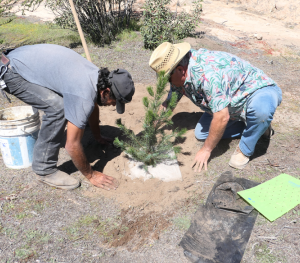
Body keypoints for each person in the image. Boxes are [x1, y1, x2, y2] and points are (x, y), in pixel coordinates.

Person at [0, 44, 135, 190]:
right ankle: (44, 169)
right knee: (57, 109)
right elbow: (72, 145)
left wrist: (98, 136)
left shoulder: (95, 76)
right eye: (113, 102)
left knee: (66, 104)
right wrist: (91, 175)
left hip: (18, 58)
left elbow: (93, 105)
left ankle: (54, 142)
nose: (112, 105)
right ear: (106, 92)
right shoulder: (83, 94)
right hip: (11, 71)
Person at [149, 42, 282, 172]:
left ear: (180, 70)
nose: (167, 82)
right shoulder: (181, 69)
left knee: (260, 112)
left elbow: (222, 117)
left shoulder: (208, 76)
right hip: (229, 102)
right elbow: (170, 102)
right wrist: (152, 126)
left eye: (167, 79)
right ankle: (257, 126)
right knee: (202, 133)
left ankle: (246, 146)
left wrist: (206, 150)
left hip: (257, 92)